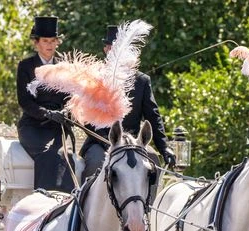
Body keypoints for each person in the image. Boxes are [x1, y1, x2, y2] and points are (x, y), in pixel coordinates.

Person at [80, 25, 175, 180]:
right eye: (112, 48)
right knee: (97, 161)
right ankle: (86, 203)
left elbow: (153, 116)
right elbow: (87, 118)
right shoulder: (95, 77)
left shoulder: (142, 81)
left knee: (152, 158)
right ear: (106, 50)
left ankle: (147, 204)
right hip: (100, 142)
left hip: (133, 143)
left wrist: (164, 148)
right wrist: (108, 142)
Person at [16, 16, 76, 193]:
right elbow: (24, 101)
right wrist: (47, 113)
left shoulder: (65, 68)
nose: (49, 45)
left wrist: (65, 112)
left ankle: (68, 203)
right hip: (32, 126)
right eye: (45, 41)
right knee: (47, 154)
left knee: (67, 156)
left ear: (57, 42)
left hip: (58, 126)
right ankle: (42, 201)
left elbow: (71, 98)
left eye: (53, 41)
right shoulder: (26, 66)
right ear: (37, 43)